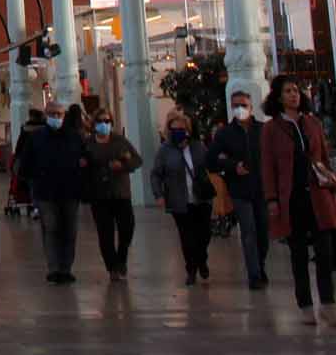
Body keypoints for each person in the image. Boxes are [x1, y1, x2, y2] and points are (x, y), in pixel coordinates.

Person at [261, 76, 336, 326]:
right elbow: (268, 166)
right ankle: (305, 305)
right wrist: (272, 199)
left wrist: (331, 184)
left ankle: (327, 304)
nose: (294, 95)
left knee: (325, 251)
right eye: (288, 91)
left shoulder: (312, 123)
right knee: (298, 254)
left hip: (317, 194)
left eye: (296, 90)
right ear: (278, 97)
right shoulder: (271, 129)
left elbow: (324, 158)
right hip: (292, 198)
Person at [16, 101, 86, 284]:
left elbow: (85, 159)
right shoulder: (36, 137)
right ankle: (54, 268)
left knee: (70, 230)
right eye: (53, 114)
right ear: (47, 115)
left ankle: (66, 268)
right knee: (51, 228)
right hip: (45, 192)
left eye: (59, 114)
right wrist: (36, 179)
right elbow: (25, 165)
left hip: (70, 191)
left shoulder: (74, 137)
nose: (56, 117)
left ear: (64, 116)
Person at [206, 89, 269, 289]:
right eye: (235, 105)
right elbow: (211, 161)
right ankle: (254, 275)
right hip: (240, 191)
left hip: (262, 189)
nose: (239, 109)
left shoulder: (263, 130)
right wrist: (232, 166)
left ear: (251, 107)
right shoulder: (225, 134)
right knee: (248, 231)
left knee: (263, 233)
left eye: (243, 105)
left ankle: (260, 265)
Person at [149, 110, 210, 286]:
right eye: (175, 129)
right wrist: (158, 194)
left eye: (182, 129)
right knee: (187, 237)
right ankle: (191, 269)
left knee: (204, 234)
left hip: (201, 199)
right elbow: (156, 174)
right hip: (179, 201)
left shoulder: (197, 146)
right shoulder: (165, 151)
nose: (179, 132)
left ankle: (201, 259)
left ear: (188, 130)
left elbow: (209, 164)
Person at [82, 110, 142, 281]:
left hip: (120, 192)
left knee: (127, 228)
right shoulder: (88, 144)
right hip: (99, 194)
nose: (104, 124)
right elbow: (80, 164)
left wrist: (123, 165)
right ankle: (112, 267)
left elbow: (137, 160)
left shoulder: (120, 141)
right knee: (105, 233)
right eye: (100, 121)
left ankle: (122, 258)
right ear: (94, 124)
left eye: (107, 120)